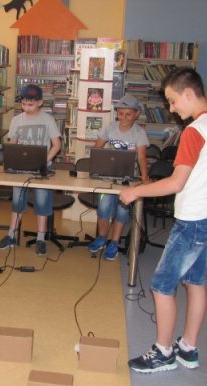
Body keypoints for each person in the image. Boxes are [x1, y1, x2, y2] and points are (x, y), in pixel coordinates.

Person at [120, 67, 207, 373]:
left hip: (193, 221)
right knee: (195, 282)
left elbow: (175, 183)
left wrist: (135, 191)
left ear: (188, 93)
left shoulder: (194, 131)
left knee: (161, 286)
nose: (171, 109)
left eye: (172, 101)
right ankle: (188, 347)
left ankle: (163, 352)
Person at [0, 84, 62, 256]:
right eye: (23, 104)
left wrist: (43, 162)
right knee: (17, 202)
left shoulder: (48, 119)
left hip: (42, 169)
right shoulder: (17, 120)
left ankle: (40, 238)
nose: (26, 107)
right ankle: (11, 235)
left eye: (30, 104)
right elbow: (13, 145)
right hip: (22, 169)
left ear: (40, 103)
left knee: (42, 203)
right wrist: (11, 162)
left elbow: (56, 145)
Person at [87, 94, 150, 261]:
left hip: (127, 179)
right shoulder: (110, 128)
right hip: (107, 177)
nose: (124, 117)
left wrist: (145, 178)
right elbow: (97, 149)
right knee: (103, 208)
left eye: (128, 114)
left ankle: (114, 242)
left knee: (122, 212)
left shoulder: (139, 133)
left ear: (136, 114)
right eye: (121, 114)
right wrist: (95, 168)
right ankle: (102, 238)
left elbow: (141, 157)